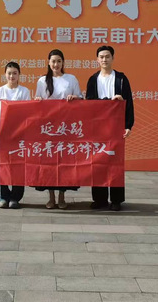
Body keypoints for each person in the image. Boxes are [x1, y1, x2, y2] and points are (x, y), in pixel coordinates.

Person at [85, 45, 134, 211]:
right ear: (97, 60)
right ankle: (99, 199)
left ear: (113, 58)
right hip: (98, 127)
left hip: (116, 126)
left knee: (114, 163)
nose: (104, 59)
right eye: (101, 57)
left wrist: (128, 125)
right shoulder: (93, 79)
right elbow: (89, 103)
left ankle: (116, 200)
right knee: (98, 162)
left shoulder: (121, 79)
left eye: (107, 56)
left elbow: (129, 102)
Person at [34, 48, 82, 209]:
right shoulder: (42, 81)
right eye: (53, 61)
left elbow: (81, 98)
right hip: (48, 127)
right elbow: (37, 101)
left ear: (63, 63)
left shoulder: (71, 79)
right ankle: (51, 197)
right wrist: (38, 100)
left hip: (66, 127)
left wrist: (74, 97)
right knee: (49, 162)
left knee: (64, 162)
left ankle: (62, 196)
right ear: (49, 63)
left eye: (59, 61)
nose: (56, 64)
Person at [0, 61, 31, 209]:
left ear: (19, 75)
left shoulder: (24, 92)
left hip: (19, 134)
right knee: (2, 165)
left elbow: (27, 115)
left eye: (14, 73)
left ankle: (15, 198)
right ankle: (3, 197)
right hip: (2, 135)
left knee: (18, 166)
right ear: (5, 75)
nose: (12, 76)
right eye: (9, 73)